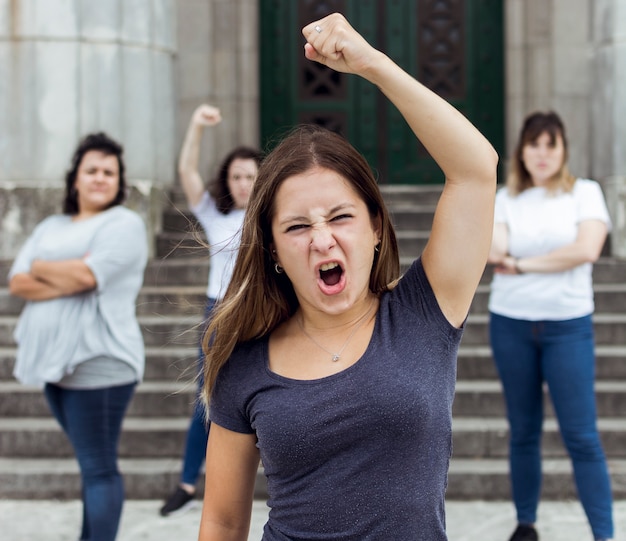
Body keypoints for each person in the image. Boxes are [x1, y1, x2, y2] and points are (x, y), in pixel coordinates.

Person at [197, 13, 498, 541]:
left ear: (376, 227)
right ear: (272, 250)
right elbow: (222, 521)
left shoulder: (424, 314)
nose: (321, 239)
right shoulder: (243, 355)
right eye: (296, 226)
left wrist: (374, 66)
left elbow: (476, 169)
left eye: (340, 217)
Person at [8, 132, 148, 541]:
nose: (100, 178)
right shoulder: (52, 224)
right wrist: (62, 274)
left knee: (99, 468)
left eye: (110, 172)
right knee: (92, 468)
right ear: (75, 179)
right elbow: (17, 281)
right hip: (55, 365)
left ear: (119, 181)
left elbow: (89, 276)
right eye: (92, 170)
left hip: (99, 361)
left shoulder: (125, 224)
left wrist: (45, 266)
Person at [487, 111, 614, 541]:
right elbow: (493, 248)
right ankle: (526, 524)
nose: (542, 154)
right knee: (523, 430)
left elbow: (587, 249)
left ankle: (604, 533)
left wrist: (521, 264)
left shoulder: (586, 193)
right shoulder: (505, 198)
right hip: (512, 325)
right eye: (533, 145)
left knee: (581, 434)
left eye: (550, 145)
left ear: (563, 150)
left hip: (568, 326)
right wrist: (541, 260)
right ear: (521, 151)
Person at [159, 104, 262, 516]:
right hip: (218, 313)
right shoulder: (215, 216)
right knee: (207, 399)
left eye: (251, 176)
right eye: (236, 176)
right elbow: (187, 172)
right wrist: (197, 127)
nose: (242, 184)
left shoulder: (276, 216)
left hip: (261, 312)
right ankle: (187, 483)